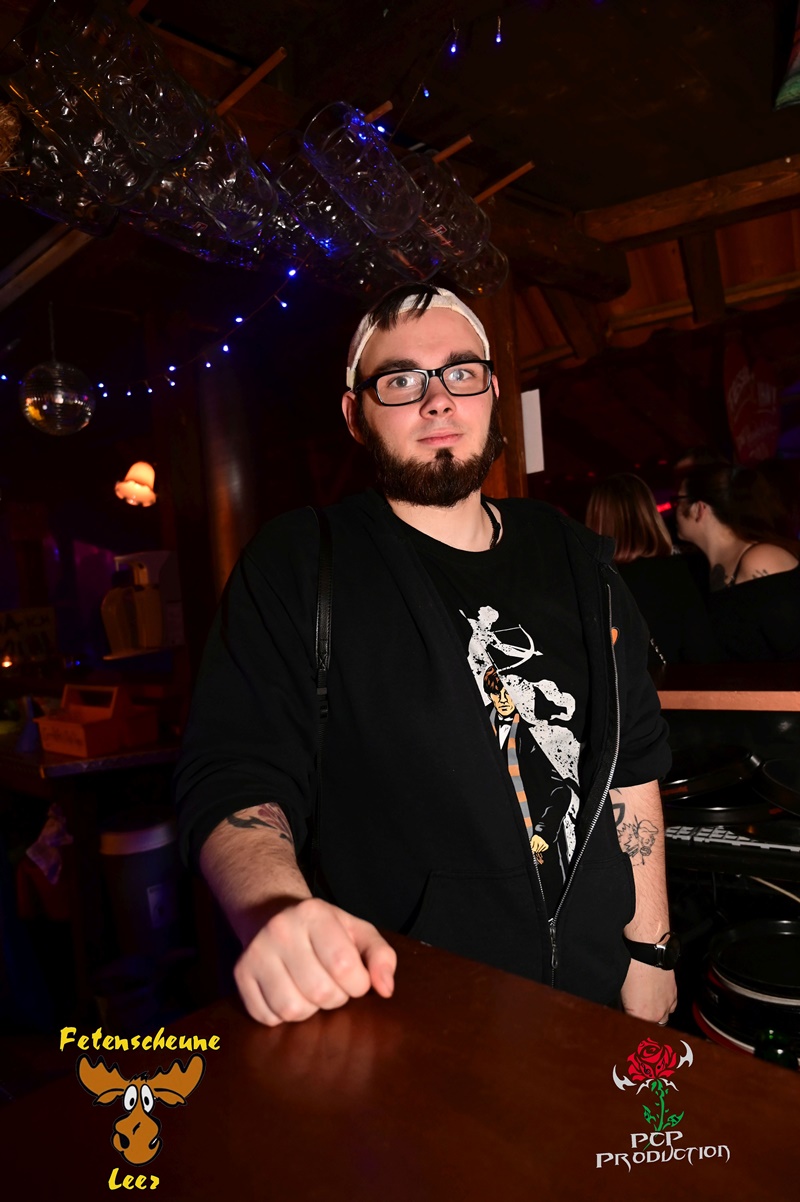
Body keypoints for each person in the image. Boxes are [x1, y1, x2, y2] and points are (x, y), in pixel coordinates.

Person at [174, 284, 676, 1030]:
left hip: (598, 997)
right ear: (356, 415)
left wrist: (651, 949)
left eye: (460, 373)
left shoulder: (577, 558)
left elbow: (631, 761)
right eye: (402, 380)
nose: (438, 400)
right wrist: (277, 908)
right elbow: (236, 771)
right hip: (416, 1013)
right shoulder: (302, 562)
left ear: (493, 393)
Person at [585, 473, 721, 663]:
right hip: (671, 680)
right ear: (650, 516)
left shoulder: (588, 582)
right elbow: (702, 651)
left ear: (595, 519)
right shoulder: (677, 573)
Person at [675, 462, 800, 660]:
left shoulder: (760, 559)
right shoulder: (700, 567)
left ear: (700, 509)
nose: (674, 509)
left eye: (679, 500)